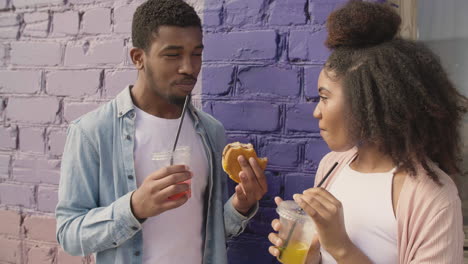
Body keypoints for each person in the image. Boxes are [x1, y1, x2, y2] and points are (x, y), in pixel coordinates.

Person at [55, 0, 268, 263]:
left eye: (196, 54)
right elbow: (68, 234)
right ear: (138, 58)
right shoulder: (92, 132)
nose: (189, 68)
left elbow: (209, 234)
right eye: (173, 55)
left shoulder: (211, 132)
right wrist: (134, 208)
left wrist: (241, 205)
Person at [268, 1, 467, 263]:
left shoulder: (433, 198)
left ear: (365, 103)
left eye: (324, 97)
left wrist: (341, 247)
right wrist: (311, 255)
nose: (317, 111)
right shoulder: (331, 167)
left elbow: (338, 250)